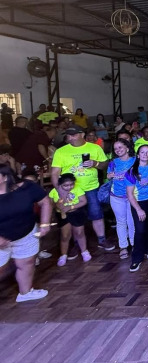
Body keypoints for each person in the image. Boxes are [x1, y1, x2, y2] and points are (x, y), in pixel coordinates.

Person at [51, 125, 114, 251]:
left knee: (96, 214)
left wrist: (95, 163)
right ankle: (76, 244)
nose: (70, 138)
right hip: (70, 189)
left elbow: (105, 165)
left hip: (91, 188)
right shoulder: (61, 151)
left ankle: (101, 240)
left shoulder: (94, 147)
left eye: (73, 135)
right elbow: (55, 173)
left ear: (82, 135)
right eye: (68, 135)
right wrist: (60, 191)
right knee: (73, 217)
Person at [0, 164, 53, 302]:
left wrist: (45, 224)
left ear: (5, 177)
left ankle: (25, 293)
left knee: (27, 262)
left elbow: (45, 202)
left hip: (26, 233)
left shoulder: (27, 188)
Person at [125, 144, 148, 272]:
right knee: (140, 230)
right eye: (142, 152)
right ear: (138, 155)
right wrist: (138, 209)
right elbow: (130, 194)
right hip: (139, 203)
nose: (145, 154)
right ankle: (136, 258)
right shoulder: (131, 172)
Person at [50, 173, 90, 266]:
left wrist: (71, 207)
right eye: (66, 185)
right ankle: (63, 255)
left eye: (71, 184)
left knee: (79, 233)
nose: (69, 187)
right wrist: (57, 205)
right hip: (63, 215)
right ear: (60, 184)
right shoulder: (54, 191)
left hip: (76, 213)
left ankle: (84, 251)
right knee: (65, 235)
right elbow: (51, 204)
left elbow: (83, 201)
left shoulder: (77, 189)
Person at [107, 138, 137, 260]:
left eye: (120, 147)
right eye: (115, 149)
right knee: (121, 221)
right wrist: (109, 176)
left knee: (132, 221)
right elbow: (109, 176)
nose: (118, 150)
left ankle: (134, 244)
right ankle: (123, 246)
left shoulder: (135, 160)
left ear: (127, 148)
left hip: (132, 196)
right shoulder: (113, 162)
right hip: (117, 196)